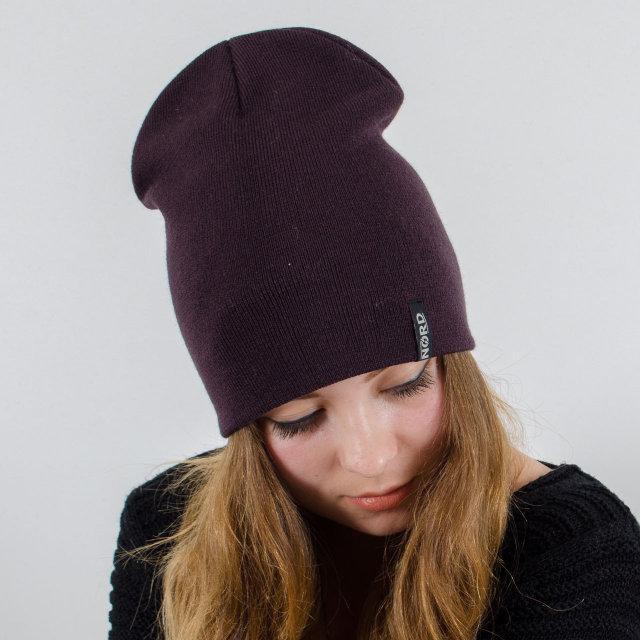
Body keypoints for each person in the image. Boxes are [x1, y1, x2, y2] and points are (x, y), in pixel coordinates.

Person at [108, 26, 640, 640]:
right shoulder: (168, 530)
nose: (371, 458)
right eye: (299, 416)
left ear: (448, 362)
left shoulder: (575, 551)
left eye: (405, 383)